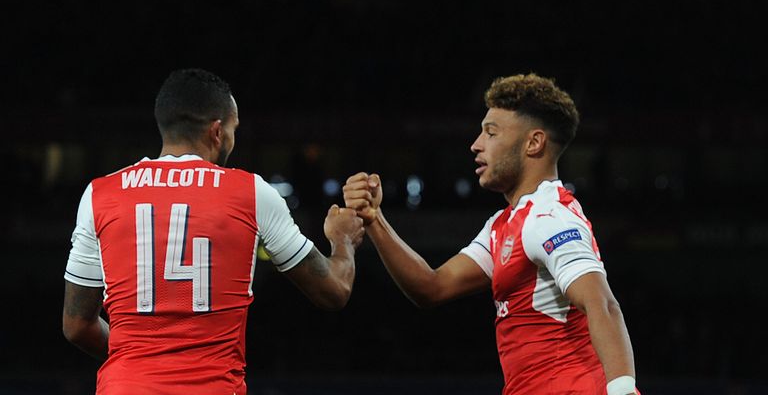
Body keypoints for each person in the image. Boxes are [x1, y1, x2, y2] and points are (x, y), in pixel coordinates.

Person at [62, 68, 364, 395]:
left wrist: (142, 359)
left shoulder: (100, 194)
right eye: (234, 130)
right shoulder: (251, 193)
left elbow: (77, 325)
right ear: (217, 131)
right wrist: (342, 238)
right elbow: (333, 291)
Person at [343, 73, 639, 395]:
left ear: (534, 143)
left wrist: (622, 391)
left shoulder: (549, 217)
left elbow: (603, 305)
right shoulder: (505, 224)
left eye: (491, 133)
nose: (476, 144)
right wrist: (375, 219)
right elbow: (432, 287)